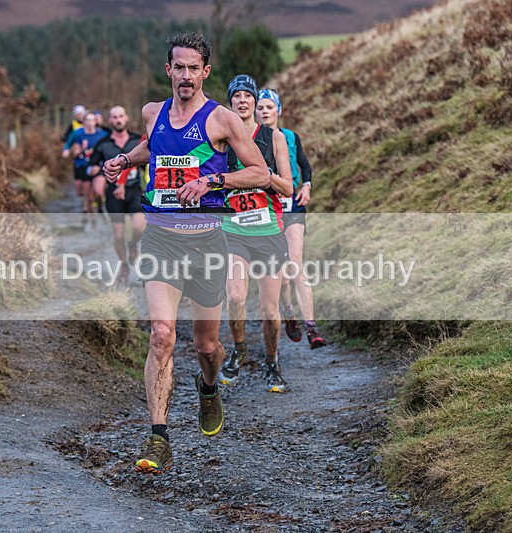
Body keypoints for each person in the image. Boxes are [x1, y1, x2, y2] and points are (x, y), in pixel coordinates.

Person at [102, 32, 269, 474]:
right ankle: (159, 439)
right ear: (168, 70)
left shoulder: (222, 120)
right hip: (160, 238)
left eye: (194, 68)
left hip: (207, 242)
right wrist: (124, 160)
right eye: (179, 67)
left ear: (206, 72)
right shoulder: (152, 113)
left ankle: (209, 387)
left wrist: (211, 182)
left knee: (206, 345)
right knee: (161, 334)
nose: (186, 76)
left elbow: (260, 172)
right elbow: (152, 148)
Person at [217, 75, 294, 393]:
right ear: (231, 102)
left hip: (268, 230)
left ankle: (273, 362)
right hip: (234, 228)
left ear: (255, 101)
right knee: (235, 295)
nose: (244, 101)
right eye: (237, 97)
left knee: (268, 308)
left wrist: (264, 177)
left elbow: (288, 186)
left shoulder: (272, 136)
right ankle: (238, 350)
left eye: (249, 96)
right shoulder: (221, 137)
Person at [255, 88, 327, 349]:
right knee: (281, 274)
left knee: (295, 264)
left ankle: (312, 327)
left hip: (291, 205)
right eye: (260, 107)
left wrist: (306, 185)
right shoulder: (250, 138)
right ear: (254, 111)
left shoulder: (290, 137)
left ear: (278, 111)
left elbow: (305, 165)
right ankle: (288, 312)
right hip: (264, 208)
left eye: (269, 107)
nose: (264, 111)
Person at [87, 106, 146, 283]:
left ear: (126, 118)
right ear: (110, 121)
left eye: (121, 116)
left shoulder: (138, 140)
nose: (118, 120)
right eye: (114, 117)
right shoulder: (103, 144)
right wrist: (94, 170)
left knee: (139, 227)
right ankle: (123, 264)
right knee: (118, 234)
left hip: (134, 190)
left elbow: (147, 162)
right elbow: (91, 166)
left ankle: (134, 244)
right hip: (113, 194)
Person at [69, 112, 108, 220]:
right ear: (84, 122)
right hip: (83, 167)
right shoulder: (79, 135)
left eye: (92, 120)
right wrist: (82, 148)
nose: (90, 123)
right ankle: (92, 221)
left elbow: (107, 152)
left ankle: (100, 208)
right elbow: (74, 153)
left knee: (99, 192)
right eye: (88, 120)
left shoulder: (102, 135)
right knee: (88, 197)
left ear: (96, 122)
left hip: (98, 167)